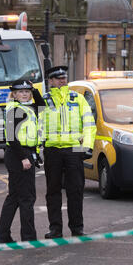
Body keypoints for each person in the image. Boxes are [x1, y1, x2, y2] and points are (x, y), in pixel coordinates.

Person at [39, 66, 97, 238]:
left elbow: (88, 124)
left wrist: (87, 147)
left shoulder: (77, 99)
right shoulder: (44, 101)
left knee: (76, 190)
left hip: (74, 149)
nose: (62, 80)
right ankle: (55, 229)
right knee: (53, 191)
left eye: (64, 77)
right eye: (57, 78)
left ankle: (77, 228)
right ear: (50, 81)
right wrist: (37, 150)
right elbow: (39, 127)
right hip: (52, 149)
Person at [0, 79, 45, 243]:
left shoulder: (29, 108)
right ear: (14, 94)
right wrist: (24, 157)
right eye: (21, 91)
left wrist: (35, 89)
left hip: (24, 154)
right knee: (26, 198)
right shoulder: (14, 110)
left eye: (27, 91)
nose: (24, 94)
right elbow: (11, 137)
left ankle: (4, 237)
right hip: (18, 155)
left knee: (15, 198)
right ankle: (29, 238)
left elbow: (42, 105)